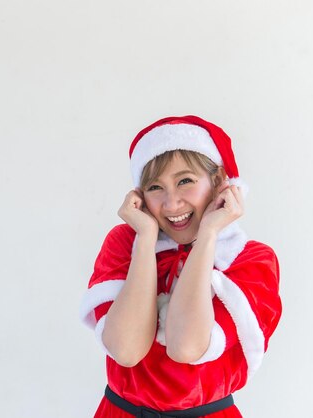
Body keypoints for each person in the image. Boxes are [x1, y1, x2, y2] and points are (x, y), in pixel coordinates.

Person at [79, 115, 282, 417]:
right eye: (155, 187)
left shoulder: (250, 260)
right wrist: (146, 238)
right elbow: (126, 349)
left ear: (218, 181)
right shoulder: (126, 242)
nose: (171, 204)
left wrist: (208, 235)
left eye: (185, 181)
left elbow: (186, 346)